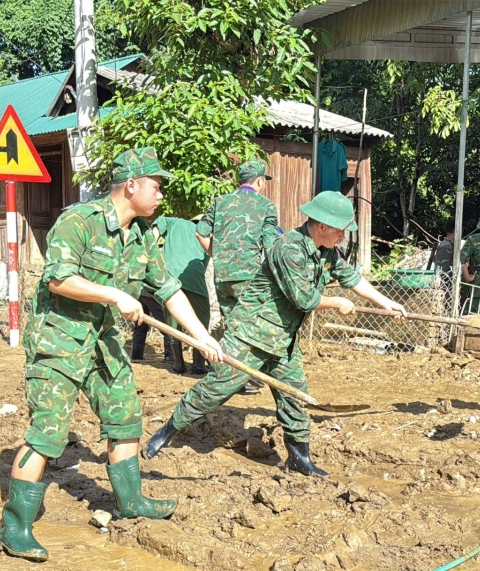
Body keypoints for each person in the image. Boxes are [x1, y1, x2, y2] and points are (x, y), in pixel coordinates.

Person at [0, 147, 224, 563]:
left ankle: (129, 501)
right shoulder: (78, 222)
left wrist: (202, 337)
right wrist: (114, 294)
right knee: (49, 434)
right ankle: (14, 527)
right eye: (156, 186)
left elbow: (169, 289)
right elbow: (59, 279)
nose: (161, 195)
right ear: (131, 185)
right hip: (59, 340)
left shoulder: (141, 237)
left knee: (125, 416)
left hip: (104, 341)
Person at [143, 192, 407, 478]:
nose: (343, 235)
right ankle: (169, 430)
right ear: (322, 227)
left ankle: (299, 458)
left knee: (293, 398)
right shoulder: (288, 248)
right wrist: (338, 303)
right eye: (341, 229)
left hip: (284, 340)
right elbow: (304, 299)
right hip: (251, 335)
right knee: (215, 390)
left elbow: (351, 278)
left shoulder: (326, 251)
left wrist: (387, 303)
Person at [197, 159, 280, 393]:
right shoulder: (266, 206)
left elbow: (200, 232)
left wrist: (220, 255)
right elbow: (270, 246)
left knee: (232, 324)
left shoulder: (220, 202)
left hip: (222, 275)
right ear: (260, 181)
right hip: (250, 275)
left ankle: (225, 376)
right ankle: (251, 379)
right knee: (253, 324)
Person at [156, 215, 212, 375]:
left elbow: (159, 224)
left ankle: (178, 364)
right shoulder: (205, 235)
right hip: (194, 279)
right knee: (201, 320)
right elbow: (205, 262)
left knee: (173, 322)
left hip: (170, 275)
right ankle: (199, 364)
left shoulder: (175, 221)